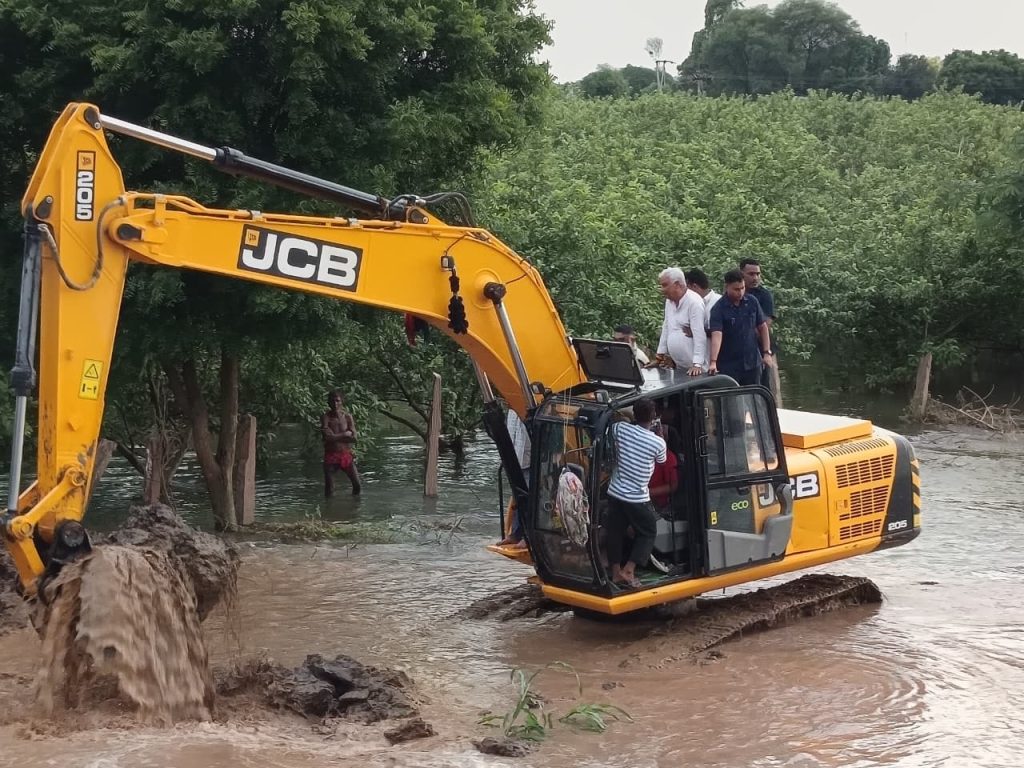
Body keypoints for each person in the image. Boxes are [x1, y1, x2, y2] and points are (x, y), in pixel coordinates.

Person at [606, 399, 666, 589]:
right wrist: (661, 435)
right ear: (654, 417)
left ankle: (615, 572)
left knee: (614, 531)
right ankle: (629, 570)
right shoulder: (657, 443)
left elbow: (613, 426)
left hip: (615, 492)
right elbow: (662, 460)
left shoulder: (619, 429)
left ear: (634, 413)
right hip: (636, 497)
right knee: (648, 531)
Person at [708, 269, 774, 386]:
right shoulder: (718, 309)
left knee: (755, 397)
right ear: (727, 287)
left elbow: (762, 327)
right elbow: (717, 335)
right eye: (736, 289)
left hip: (752, 361)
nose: (740, 292)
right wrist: (713, 362)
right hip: (729, 364)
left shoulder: (752, 302)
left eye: (742, 288)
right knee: (733, 399)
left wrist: (767, 352)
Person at [653, 267, 707, 376]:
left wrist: (697, 364)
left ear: (677, 284)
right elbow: (666, 327)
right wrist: (659, 356)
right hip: (678, 366)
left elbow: (699, 334)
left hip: (697, 369)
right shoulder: (669, 302)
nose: (662, 289)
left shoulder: (694, 302)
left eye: (665, 285)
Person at [740, 258, 776, 389]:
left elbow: (766, 324)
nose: (755, 278)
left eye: (758, 274)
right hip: (740, 352)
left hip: (761, 348)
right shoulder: (734, 294)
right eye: (751, 274)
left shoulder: (764, 295)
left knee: (762, 386)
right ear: (741, 273)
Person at [497, 408, 531, 549]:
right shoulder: (512, 412)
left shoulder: (531, 409)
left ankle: (527, 537)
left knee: (530, 499)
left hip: (531, 460)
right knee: (518, 499)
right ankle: (515, 534)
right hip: (515, 460)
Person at [322, 390, 361, 497]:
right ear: (328, 403)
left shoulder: (347, 417)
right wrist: (345, 434)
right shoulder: (326, 417)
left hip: (345, 454)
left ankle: (354, 509)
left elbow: (354, 438)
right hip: (331, 455)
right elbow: (327, 437)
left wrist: (335, 436)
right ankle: (328, 511)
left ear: (341, 402)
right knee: (329, 489)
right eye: (332, 401)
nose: (335, 404)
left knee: (357, 485)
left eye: (337, 401)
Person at [684, 268, 721, 337]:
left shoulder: (718, 302)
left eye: (687, 290)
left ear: (694, 286)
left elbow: (719, 331)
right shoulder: (689, 304)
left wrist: (696, 332)